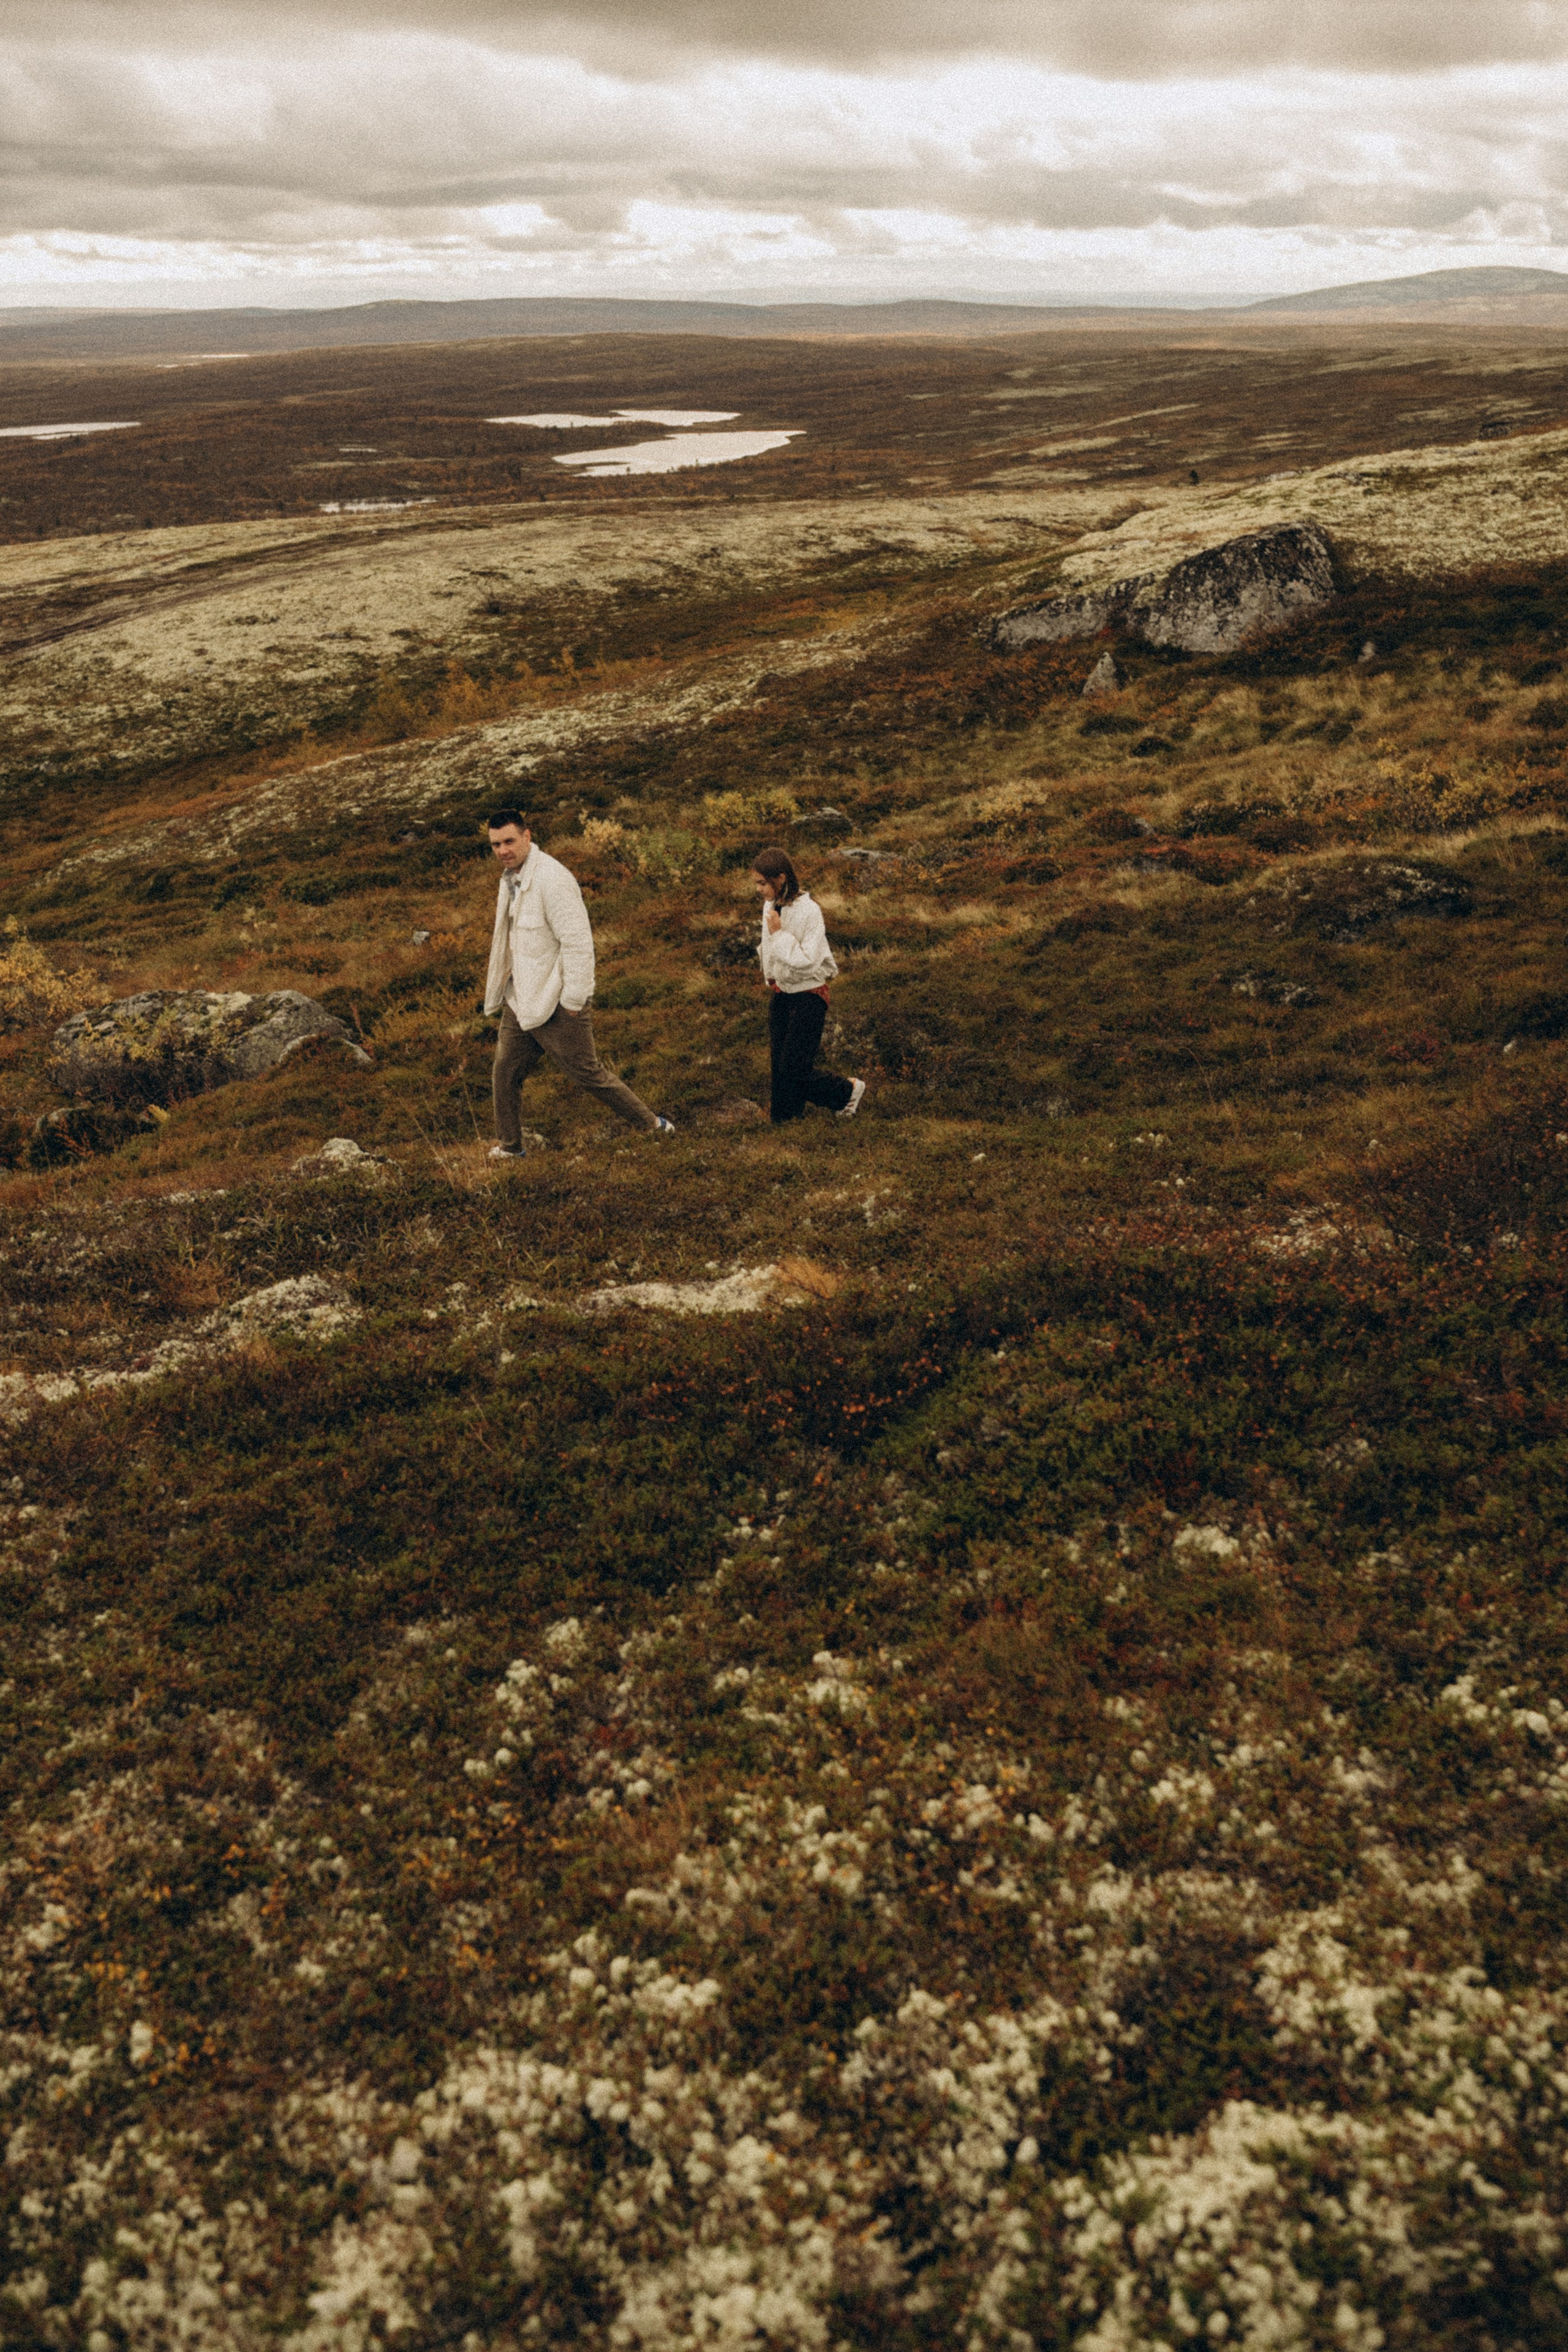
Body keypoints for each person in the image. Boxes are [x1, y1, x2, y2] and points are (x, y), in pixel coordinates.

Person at [482, 807, 674, 1157]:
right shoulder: (511, 879)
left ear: (527, 837)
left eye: (509, 841)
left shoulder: (553, 880)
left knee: (588, 1074)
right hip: (521, 997)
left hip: (557, 1000)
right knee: (505, 1072)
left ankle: (654, 1126)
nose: (502, 851)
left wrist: (574, 999)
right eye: (495, 845)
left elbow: (578, 942)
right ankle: (511, 1148)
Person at [752, 847, 865, 1126]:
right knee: (780, 1067)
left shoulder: (810, 912)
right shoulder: (770, 906)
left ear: (780, 878)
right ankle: (786, 1121)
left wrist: (779, 935)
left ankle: (847, 1092)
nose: (758, 889)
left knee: (794, 1068)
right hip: (782, 993)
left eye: (762, 883)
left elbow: (806, 961)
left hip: (809, 996)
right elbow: (770, 946)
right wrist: (771, 973)